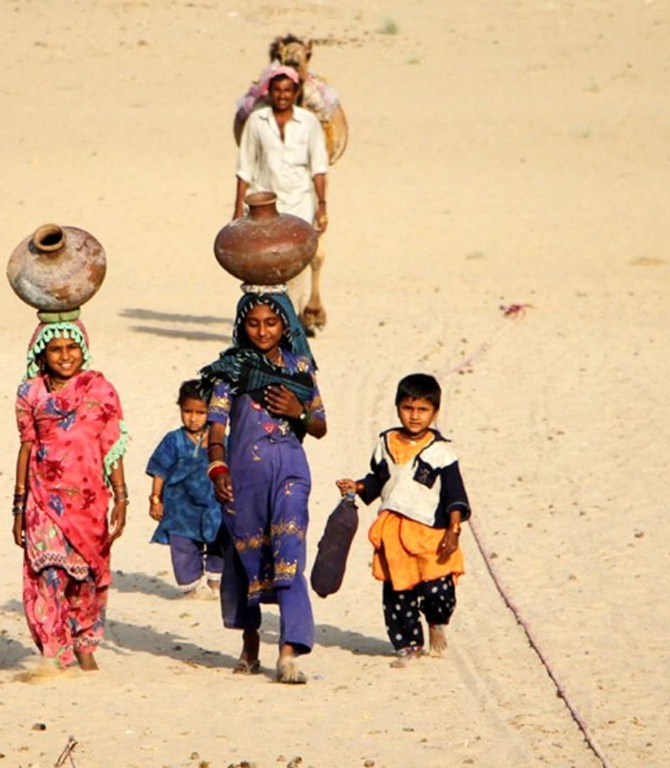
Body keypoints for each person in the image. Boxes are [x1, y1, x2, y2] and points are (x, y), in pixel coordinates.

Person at [200, 288, 326, 684]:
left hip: (290, 469)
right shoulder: (230, 371)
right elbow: (216, 427)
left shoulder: (301, 366)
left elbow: (320, 426)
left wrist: (298, 410)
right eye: (253, 323)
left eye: (271, 322)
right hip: (243, 477)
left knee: (289, 550)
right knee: (244, 557)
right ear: (242, 326)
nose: (262, 330)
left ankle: (290, 651)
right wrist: (217, 468)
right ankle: (250, 641)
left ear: (284, 324)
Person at [11, 317, 129, 671]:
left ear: (84, 349)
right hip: (43, 499)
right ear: (42, 355)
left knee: (86, 580)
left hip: (90, 501)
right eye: (56, 349)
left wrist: (122, 497)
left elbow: (112, 446)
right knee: (48, 575)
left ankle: (85, 646)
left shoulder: (101, 390)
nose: (65, 356)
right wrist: (18, 508)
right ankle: (54, 654)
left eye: (72, 347)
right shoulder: (29, 393)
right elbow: (26, 447)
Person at [335, 373, 471, 667]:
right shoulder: (385, 443)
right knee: (399, 592)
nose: (415, 416)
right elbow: (379, 480)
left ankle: (436, 623)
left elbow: (455, 495)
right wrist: (357, 487)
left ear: (435, 413)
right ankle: (407, 645)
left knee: (438, 590)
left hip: (431, 533)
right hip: (395, 531)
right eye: (408, 408)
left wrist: (454, 529)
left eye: (423, 410)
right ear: (398, 407)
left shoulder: (442, 453)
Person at [233, 67, 329, 329]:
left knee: (296, 264)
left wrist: (322, 205)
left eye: (287, 90)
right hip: (264, 204)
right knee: (265, 267)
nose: (282, 95)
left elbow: (318, 167)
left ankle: (292, 320)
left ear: (295, 93)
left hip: (300, 200)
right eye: (277, 90)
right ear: (270, 92)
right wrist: (237, 210)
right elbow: (245, 167)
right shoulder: (257, 121)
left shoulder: (309, 123)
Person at [147, 379, 224, 599]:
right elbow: (160, 470)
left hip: (213, 503)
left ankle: (216, 581)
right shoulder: (173, 440)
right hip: (180, 506)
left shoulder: (219, 440)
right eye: (187, 411)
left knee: (219, 540)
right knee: (183, 547)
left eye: (200, 412)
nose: (193, 417)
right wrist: (155, 499)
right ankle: (191, 587)